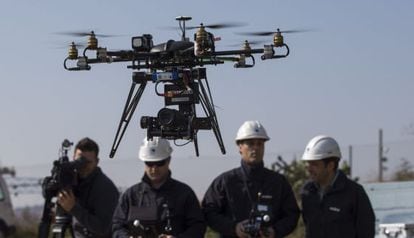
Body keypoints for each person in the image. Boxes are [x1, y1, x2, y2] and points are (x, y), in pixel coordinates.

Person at [202, 120, 300, 238]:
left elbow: (292, 215)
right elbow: (208, 212)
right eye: (250, 143)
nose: (255, 148)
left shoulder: (278, 182)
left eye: (260, 144)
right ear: (240, 147)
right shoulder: (225, 182)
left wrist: (274, 231)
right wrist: (234, 228)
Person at [112, 137, 206, 238]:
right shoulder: (131, 195)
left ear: (168, 160)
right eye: (149, 163)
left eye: (159, 163)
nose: (154, 168)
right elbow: (117, 226)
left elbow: (198, 227)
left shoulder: (184, 193)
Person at [300, 135, 375, 238]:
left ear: (330, 166)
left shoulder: (354, 193)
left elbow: (366, 232)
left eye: (314, 164)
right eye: (308, 164)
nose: (309, 169)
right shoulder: (307, 192)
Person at [57, 137, 120, 238]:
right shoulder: (74, 181)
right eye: (80, 161)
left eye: (88, 162)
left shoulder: (105, 188)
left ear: (97, 161)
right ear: (73, 158)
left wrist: (73, 208)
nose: (83, 166)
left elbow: (103, 228)